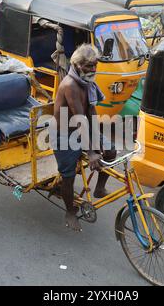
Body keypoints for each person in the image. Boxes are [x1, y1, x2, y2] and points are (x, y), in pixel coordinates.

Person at [51, 44, 116, 232]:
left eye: (95, 65)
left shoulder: (88, 81)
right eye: (88, 66)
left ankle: (99, 189)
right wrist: (91, 152)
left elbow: (91, 112)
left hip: (82, 129)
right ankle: (70, 211)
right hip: (64, 134)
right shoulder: (70, 85)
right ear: (77, 65)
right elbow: (80, 120)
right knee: (68, 177)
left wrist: (97, 145)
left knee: (111, 151)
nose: (93, 69)